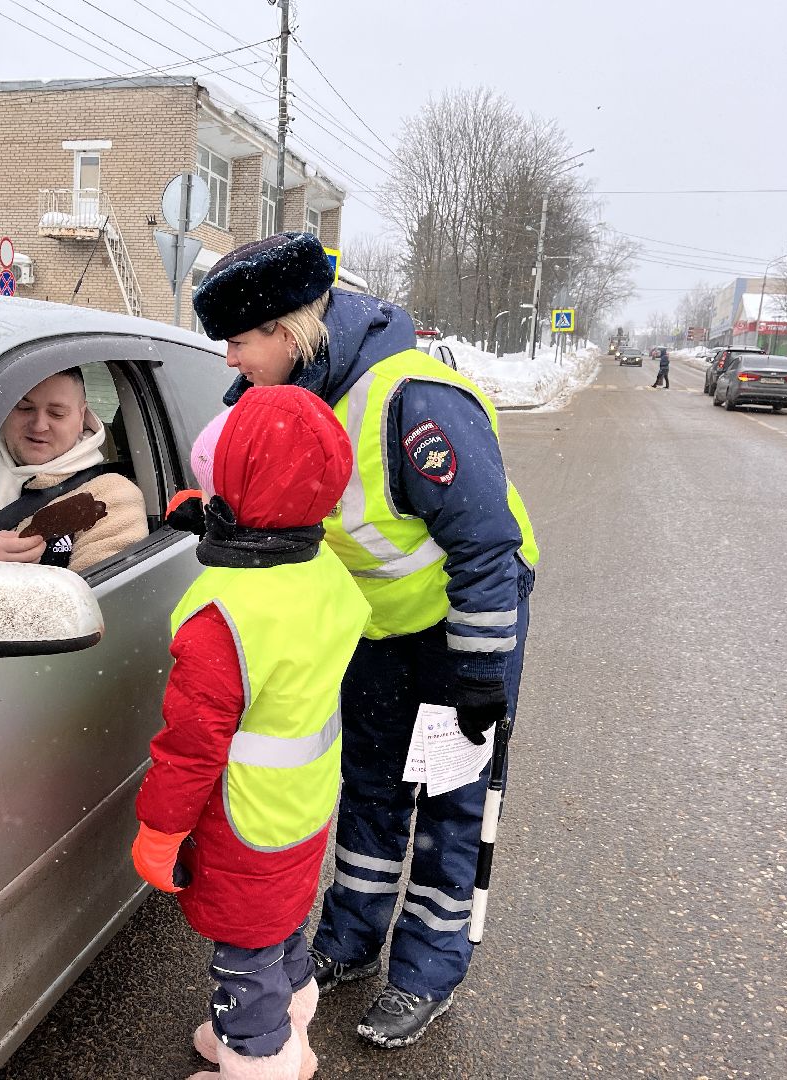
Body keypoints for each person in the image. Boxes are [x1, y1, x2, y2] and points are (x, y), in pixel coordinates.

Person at [192, 232, 539, 1049]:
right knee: (372, 785)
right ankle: (350, 938)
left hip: (463, 626)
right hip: (375, 625)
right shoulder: (271, 397)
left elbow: (486, 546)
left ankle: (428, 970)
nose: (231, 360)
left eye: (239, 342)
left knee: (450, 801)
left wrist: (481, 672)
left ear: (286, 330)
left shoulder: (415, 400)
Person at [132, 385, 370, 1080]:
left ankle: (258, 1059)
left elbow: (190, 748)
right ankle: (291, 1038)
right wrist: (216, 516)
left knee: (244, 954)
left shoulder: (224, 616)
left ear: (235, 487)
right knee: (280, 923)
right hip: (303, 801)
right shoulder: (323, 570)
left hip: (241, 817)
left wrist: (159, 832)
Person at [0, 368, 147, 582]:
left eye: (56, 413)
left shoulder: (111, 497)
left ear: (82, 416)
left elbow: (91, 598)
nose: (39, 426)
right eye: (24, 408)